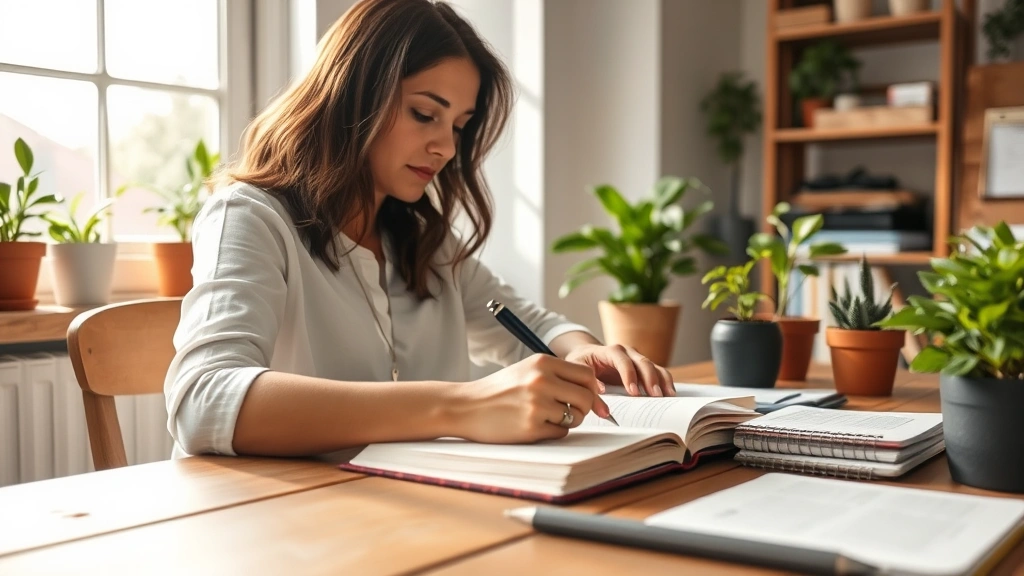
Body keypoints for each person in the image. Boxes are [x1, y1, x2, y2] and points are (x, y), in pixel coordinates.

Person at [164, 0, 675, 459]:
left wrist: (580, 349)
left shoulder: (424, 243)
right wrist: (461, 405)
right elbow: (204, 400)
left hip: (403, 515)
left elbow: (528, 325)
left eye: (457, 126)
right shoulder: (252, 217)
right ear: (352, 95)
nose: (448, 148)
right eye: (425, 114)